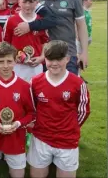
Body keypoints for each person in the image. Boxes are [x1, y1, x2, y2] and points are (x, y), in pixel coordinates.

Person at [0, 0, 89, 75]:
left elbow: (81, 26)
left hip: (67, 55)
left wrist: (84, 53)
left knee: (69, 90)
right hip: (43, 58)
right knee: (42, 91)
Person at [28, 40, 90, 178]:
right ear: (45, 60)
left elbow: (83, 111)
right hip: (41, 138)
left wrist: (70, 127)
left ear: (67, 59)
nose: (54, 63)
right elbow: (32, 108)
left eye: (59, 59)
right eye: (50, 59)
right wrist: (38, 126)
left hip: (67, 139)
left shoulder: (78, 83)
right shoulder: (35, 82)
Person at [0, 42, 35, 178]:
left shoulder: (24, 86)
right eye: (1, 61)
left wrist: (17, 124)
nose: (5, 66)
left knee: (18, 175)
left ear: (15, 60)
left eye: (9, 61)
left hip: (15, 139)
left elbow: (31, 114)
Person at [4, 0, 49, 82]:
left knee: (35, 93)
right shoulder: (11, 20)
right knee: (17, 93)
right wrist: (14, 57)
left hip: (36, 66)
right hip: (17, 66)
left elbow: (45, 42)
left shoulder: (40, 21)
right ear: (19, 2)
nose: (27, 5)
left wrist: (41, 57)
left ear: (37, 2)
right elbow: (6, 43)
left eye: (31, 2)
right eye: (24, 2)